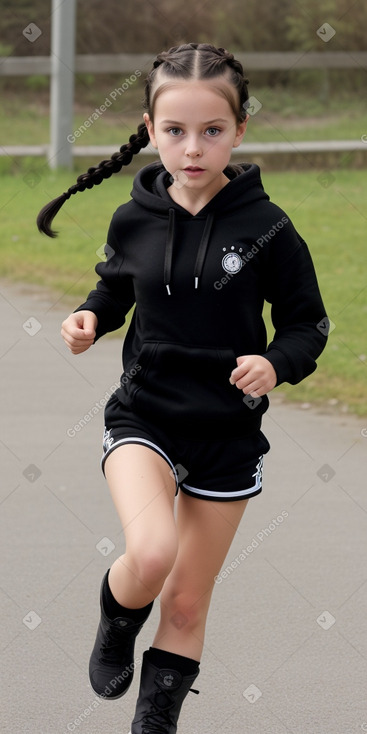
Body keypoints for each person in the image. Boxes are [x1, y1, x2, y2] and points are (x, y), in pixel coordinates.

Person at [37, 42, 328, 734]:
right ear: (149, 127)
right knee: (153, 553)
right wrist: (89, 320)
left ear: (239, 130)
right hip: (145, 418)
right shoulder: (133, 216)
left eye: (211, 131)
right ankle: (116, 620)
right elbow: (112, 290)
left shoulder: (268, 228)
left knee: (189, 603)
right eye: (174, 131)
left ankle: (154, 725)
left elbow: (306, 324)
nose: (191, 148)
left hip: (227, 434)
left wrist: (275, 364)